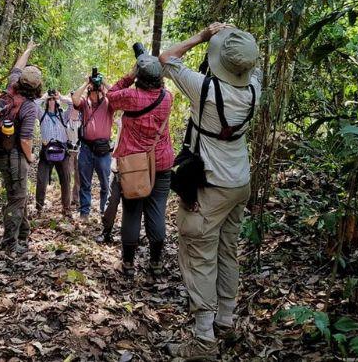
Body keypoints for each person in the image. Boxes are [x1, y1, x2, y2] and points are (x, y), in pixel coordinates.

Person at [159, 23, 262, 358]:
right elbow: (249, 63)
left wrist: (203, 36)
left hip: (211, 186)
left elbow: (166, 57)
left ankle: (204, 339)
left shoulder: (203, 88)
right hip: (240, 184)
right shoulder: (255, 89)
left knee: (200, 254)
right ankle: (225, 318)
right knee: (227, 250)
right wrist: (235, 39)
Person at [106, 54, 174, 277]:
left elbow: (110, 95)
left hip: (134, 166)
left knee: (132, 212)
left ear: (140, 76)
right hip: (161, 164)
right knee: (157, 212)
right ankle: (155, 262)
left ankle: (127, 264)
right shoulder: (167, 98)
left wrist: (129, 76)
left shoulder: (130, 96)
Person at [0, 40, 41, 255]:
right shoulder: (29, 107)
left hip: (0, 153)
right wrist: (30, 157)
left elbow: (16, 68)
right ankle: (10, 244)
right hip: (15, 157)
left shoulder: (11, 87)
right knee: (17, 198)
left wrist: (28, 50)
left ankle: (22, 236)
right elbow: (25, 139)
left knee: (17, 196)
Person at [71, 71, 115, 219]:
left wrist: (105, 82)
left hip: (103, 150)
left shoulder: (109, 103)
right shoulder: (85, 103)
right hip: (86, 148)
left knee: (105, 183)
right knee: (85, 182)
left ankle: (104, 210)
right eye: (93, 89)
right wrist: (85, 82)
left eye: (97, 89)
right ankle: (84, 212)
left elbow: (119, 95)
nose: (95, 92)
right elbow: (75, 99)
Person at [35, 90, 73, 216]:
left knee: (66, 180)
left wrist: (60, 97)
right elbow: (34, 105)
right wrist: (45, 96)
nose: (52, 101)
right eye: (50, 100)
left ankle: (66, 208)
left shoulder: (63, 116)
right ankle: (39, 208)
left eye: (53, 100)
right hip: (46, 152)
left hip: (62, 150)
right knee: (41, 180)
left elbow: (73, 104)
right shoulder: (42, 115)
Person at [95, 116, 123, 244]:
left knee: (132, 202)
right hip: (118, 164)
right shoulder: (124, 115)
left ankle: (130, 236)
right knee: (112, 199)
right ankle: (106, 231)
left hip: (135, 166)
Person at [65, 99, 82, 206]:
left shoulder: (82, 119)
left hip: (80, 150)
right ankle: (67, 198)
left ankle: (76, 198)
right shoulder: (66, 119)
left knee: (78, 176)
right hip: (69, 151)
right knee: (67, 176)